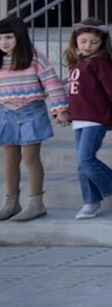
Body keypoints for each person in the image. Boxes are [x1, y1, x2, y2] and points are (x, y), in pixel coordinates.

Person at [0, 18, 68, 223]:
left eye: (9, 37)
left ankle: (36, 202)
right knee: (10, 159)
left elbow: (52, 83)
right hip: (6, 113)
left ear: (20, 37)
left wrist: (60, 109)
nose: (4, 42)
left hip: (31, 111)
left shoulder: (35, 58)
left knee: (30, 158)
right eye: (0, 38)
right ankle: (11, 202)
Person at [63, 24, 112, 219]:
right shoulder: (78, 62)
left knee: (86, 159)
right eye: (83, 41)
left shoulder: (100, 62)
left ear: (101, 43)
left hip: (96, 117)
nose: (88, 46)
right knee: (82, 163)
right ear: (75, 41)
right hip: (79, 118)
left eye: (93, 42)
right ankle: (91, 201)